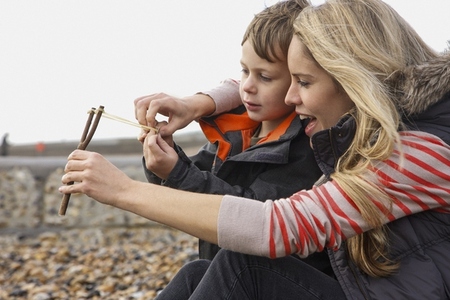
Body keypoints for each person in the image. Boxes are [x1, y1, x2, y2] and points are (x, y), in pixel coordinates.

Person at [60, 0, 450, 298]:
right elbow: (251, 82)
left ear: (354, 79)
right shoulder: (392, 128)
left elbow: (278, 227)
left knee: (245, 267)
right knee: (199, 272)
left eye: (304, 82)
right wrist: (199, 103)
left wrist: (124, 190)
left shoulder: (414, 152)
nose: (292, 97)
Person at [142, 0, 323, 262]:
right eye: (245, 70)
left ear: (298, 79)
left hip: (259, 278)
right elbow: (187, 187)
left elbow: (248, 214)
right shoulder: (237, 130)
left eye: (265, 77)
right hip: (218, 269)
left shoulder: (305, 147)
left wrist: (177, 172)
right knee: (192, 273)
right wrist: (163, 153)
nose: (247, 86)